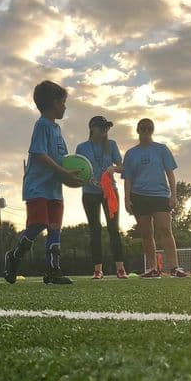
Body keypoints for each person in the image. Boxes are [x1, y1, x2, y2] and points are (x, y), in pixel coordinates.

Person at [3, 81, 84, 285]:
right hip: (37, 186)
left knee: (55, 227)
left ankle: (52, 270)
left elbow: (64, 159)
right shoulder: (42, 125)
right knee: (39, 223)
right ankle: (14, 256)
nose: (65, 107)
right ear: (54, 103)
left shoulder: (57, 130)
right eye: (63, 103)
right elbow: (39, 154)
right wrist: (62, 172)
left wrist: (76, 175)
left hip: (54, 189)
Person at [122, 118, 188, 278]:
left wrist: (174, 195)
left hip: (160, 196)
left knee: (165, 230)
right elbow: (128, 178)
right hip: (139, 196)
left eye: (148, 129)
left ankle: (174, 267)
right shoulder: (131, 153)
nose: (145, 131)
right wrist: (127, 199)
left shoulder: (161, 149)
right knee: (146, 233)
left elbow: (170, 174)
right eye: (142, 128)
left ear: (152, 131)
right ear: (138, 130)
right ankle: (152, 268)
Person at [76, 116, 127, 280]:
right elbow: (78, 169)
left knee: (113, 229)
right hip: (90, 193)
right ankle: (98, 269)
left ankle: (120, 268)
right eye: (102, 127)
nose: (105, 130)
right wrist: (86, 178)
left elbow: (121, 167)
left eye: (107, 128)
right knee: (95, 230)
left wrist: (113, 168)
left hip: (109, 191)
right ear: (93, 128)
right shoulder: (82, 147)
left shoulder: (111, 145)